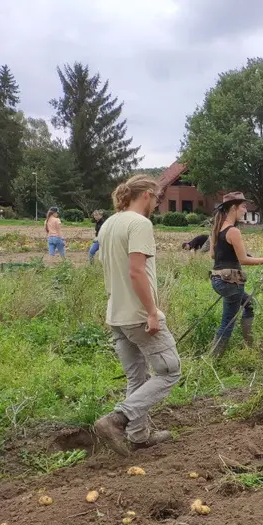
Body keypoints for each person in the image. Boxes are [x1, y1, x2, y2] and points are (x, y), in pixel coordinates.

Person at [93, 174, 181, 456]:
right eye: (157, 198)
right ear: (146, 195)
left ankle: (139, 436)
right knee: (169, 371)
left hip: (115, 314)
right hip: (138, 314)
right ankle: (117, 419)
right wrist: (152, 312)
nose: (156, 204)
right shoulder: (140, 223)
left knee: (138, 377)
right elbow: (136, 271)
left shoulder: (108, 223)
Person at [209, 192, 263, 357]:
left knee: (250, 304)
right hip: (231, 282)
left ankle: (249, 346)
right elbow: (243, 260)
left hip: (218, 280)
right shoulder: (233, 231)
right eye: (243, 206)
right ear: (233, 208)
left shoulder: (216, 229)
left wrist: (236, 252)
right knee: (227, 322)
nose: (245, 209)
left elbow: (214, 256)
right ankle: (213, 359)